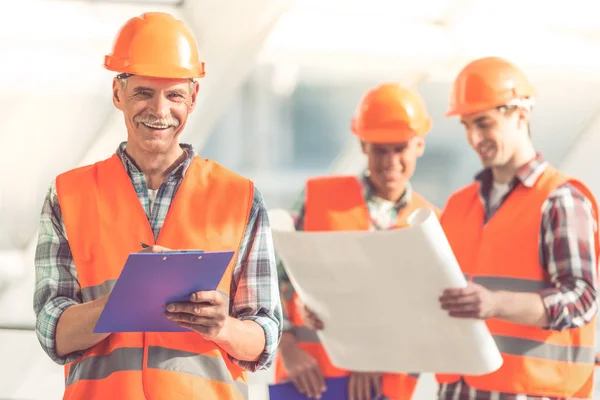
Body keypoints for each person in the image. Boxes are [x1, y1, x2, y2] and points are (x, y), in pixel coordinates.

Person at [32, 12, 282, 400]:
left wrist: (221, 327)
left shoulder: (241, 197)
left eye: (175, 94)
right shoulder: (68, 194)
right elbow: (53, 332)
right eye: (144, 92)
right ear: (118, 93)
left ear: (194, 98)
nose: (159, 110)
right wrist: (125, 300)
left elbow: (264, 337)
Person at [436, 56, 599, 399]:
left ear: (520, 115)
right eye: (466, 126)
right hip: (459, 390)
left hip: (531, 391)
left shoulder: (559, 200)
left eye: (483, 123)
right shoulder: (459, 205)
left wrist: (495, 303)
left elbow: (581, 299)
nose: (474, 138)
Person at [274, 83, 441, 400]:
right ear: (363, 145)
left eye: (400, 148)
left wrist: (377, 356)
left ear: (419, 145)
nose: (390, 161)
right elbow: (273, 276)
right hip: (309, 381)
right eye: (380, 149)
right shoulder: (318, 198)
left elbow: (430, 315)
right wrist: (286, 343)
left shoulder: (431, 222)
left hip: (387, 389)